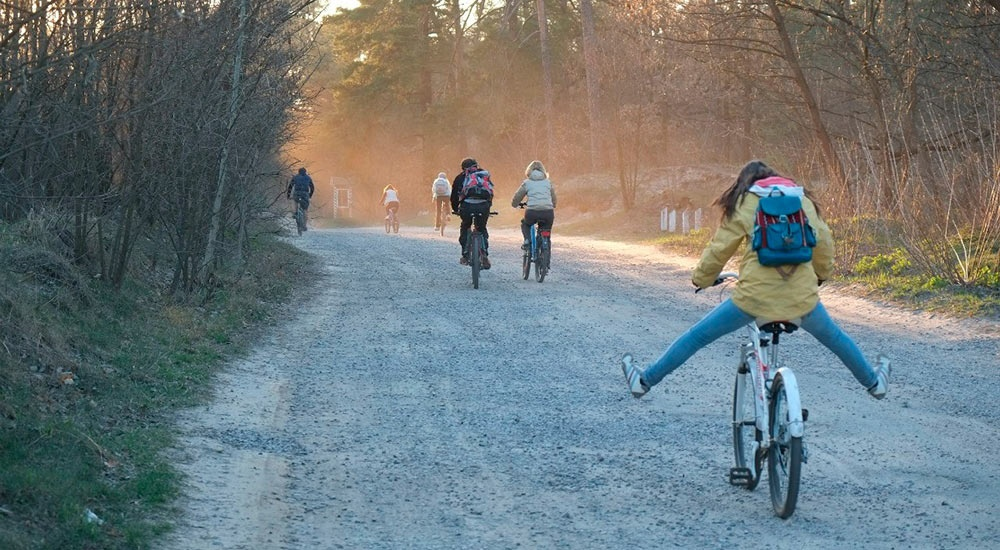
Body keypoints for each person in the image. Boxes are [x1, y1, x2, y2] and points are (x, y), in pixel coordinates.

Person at [620, 160, 891, 400]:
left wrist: (702, 279)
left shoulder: (745, 202)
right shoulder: (801, 201)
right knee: (836, 338)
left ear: (745, 183)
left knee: (697, 337)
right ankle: (874, 383)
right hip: (802, 298)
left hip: (752, 299)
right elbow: (824, 244)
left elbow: (719, 249)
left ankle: (644, 381)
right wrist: (821, 276)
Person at [450, 157, 493, 269]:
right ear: (476, 165)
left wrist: (455, 209)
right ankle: (484, 254)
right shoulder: (483, 175)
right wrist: (488, 206)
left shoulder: (460, 177)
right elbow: (490, 192)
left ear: (463, 168)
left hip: (467, 206)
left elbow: (454, 196)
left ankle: (465, 255)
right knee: (482, 228)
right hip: (483, 206)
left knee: (465, 225)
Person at [510, 160, 556, 250]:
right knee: (546, 231)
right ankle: (545, 251)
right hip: (548, 212)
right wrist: (553, 205)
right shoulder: (548, 182)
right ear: (543, 171)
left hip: (532, 212)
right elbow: (553, 197)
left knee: (525, 224)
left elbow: (518, 196)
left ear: (529, 171)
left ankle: (527, 240)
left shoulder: (527, 182)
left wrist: (514, 204)